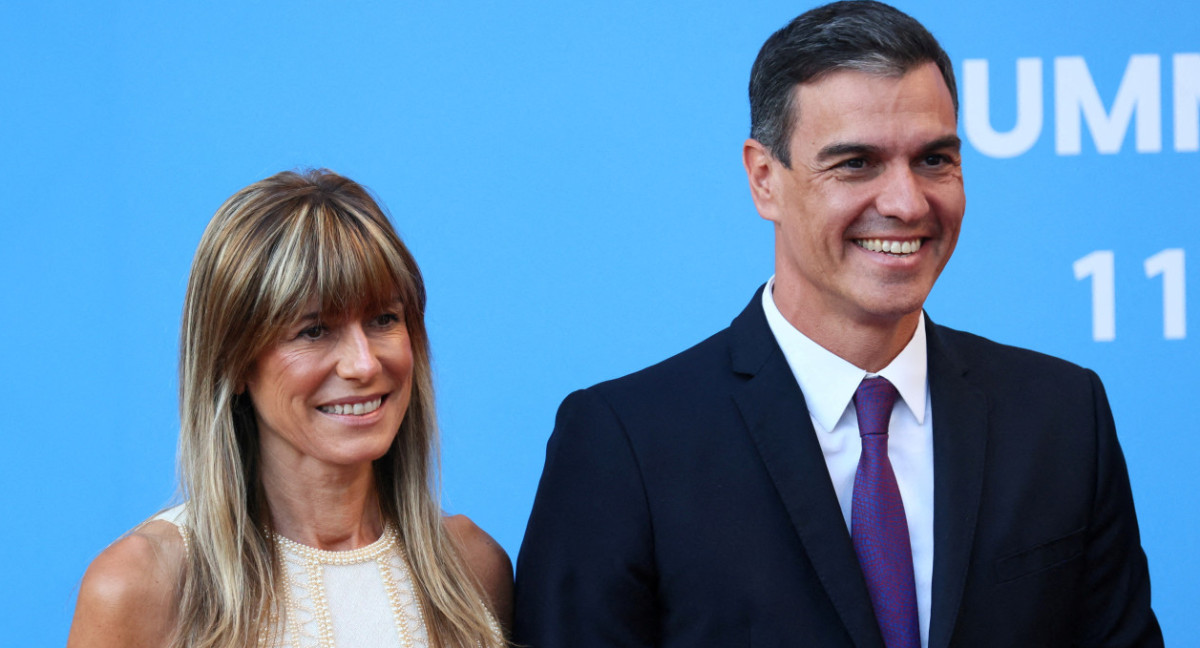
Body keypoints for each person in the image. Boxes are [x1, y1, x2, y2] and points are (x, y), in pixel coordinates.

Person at [513, 2, 1161, 647]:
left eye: (935, 159)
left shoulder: (1062, 417)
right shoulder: (624, 445)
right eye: (856, 163)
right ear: (765, 179)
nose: (906, 202)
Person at [68, 169, 511, 647]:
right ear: (233, 361)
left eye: (385, 318)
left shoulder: (473, 566)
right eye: (314, 330)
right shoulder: (140, 584)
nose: (364, 364)